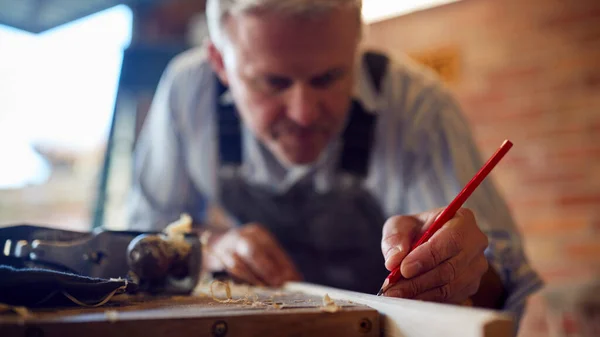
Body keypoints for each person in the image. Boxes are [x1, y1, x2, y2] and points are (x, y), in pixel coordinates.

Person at [127, 0, 542, 327]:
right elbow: (137, 242)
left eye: (329, 78)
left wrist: (464, 269)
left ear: (356, 46)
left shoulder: (417, 107)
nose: (304, 113)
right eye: (273, 83)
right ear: (219, 63)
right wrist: (215, 248)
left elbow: (506, 285)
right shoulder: (187, 93)